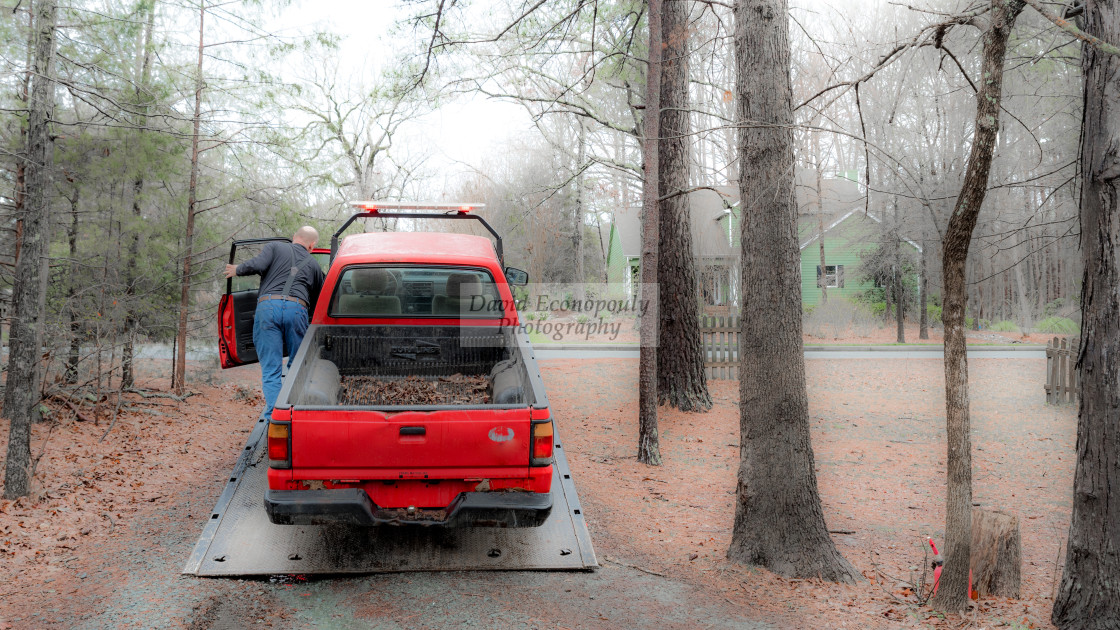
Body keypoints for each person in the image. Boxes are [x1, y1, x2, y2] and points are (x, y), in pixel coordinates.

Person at [224, 226, 325, 416]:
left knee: (271, 369)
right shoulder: (314, 265)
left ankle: (276, 417)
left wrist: (238, 269)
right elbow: (320, 297)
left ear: (294, 237)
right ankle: (297, 413)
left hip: (267, 308)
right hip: (297, 310)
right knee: (297, 366)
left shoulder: (275, 247)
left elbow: (257, 264)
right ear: (312, 245)